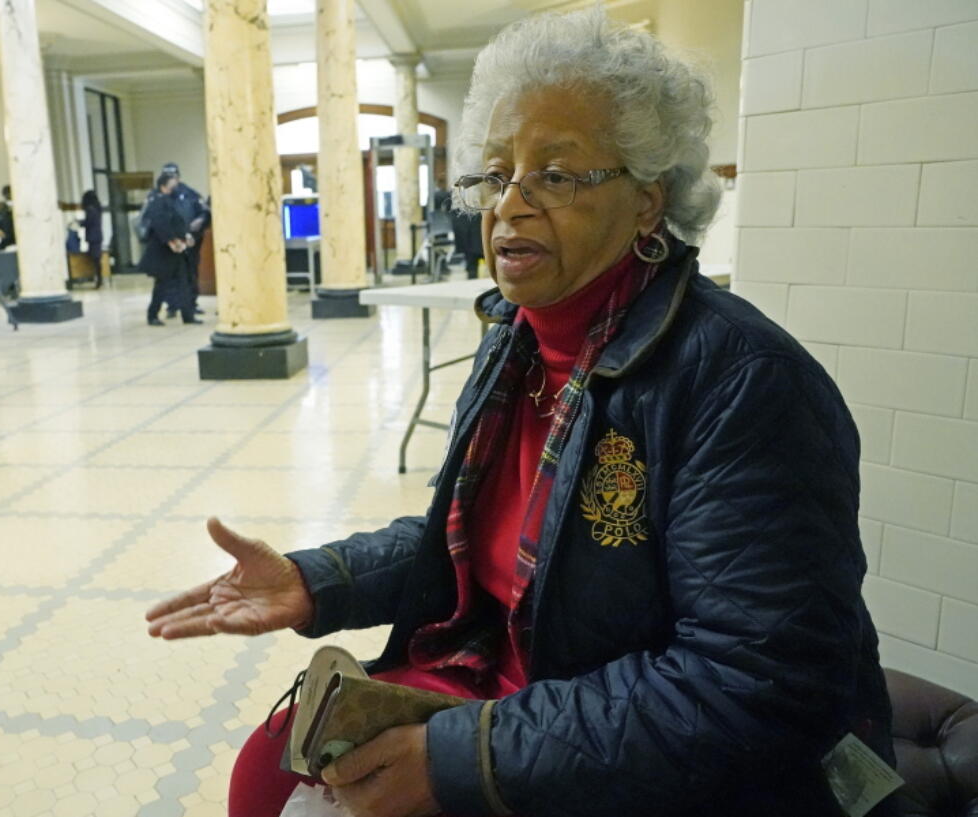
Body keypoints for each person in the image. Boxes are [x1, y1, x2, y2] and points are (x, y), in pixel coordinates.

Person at [145, 9, 895, 817]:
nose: (510, 205)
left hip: (643, 757)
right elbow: (470, 542)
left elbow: (755, 684)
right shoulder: (519, 340)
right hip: (508, 681)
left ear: (649, 201)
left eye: (557, 174)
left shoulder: (745, 382)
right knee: (267, 770)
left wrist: (459, 758)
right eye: (495, 174)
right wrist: (314, 580)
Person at [138, 171, 194, 327]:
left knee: (184, 282)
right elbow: (160, 224)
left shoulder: (172, 201)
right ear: (163, 186)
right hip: (163, 251)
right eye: (172, 184)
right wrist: (172, 241)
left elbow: (178, 222)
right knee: (162, 285)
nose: (176, 187)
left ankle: (188, 315)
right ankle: (152, 315)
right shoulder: (157, 201)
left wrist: (186, 236)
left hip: (177, 250)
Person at [161, 162, 207, 319]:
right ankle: (172, 305)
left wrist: (199, 221)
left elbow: (204, 212)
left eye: (173, 176)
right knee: (170, 274)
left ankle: (191, 304)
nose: (171, 180)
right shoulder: (160, 195)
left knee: (190, 273)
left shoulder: (190, 194)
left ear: (179, 177)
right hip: (170, 243)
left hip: (190, 242)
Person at [80, 190, 104, 286]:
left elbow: (88, 222)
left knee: (95, 259)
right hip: (97, 236)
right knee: (96, 259)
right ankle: (99, 278)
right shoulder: (97, 208)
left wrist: (80, 222)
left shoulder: (90, 209)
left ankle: (98, 279)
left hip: (92, 237)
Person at [0, 185, 15, 249]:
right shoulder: (1, 208)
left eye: (9, 193)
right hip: (6, 241)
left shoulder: (20, 206)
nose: (8, 195)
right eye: (6, 194)